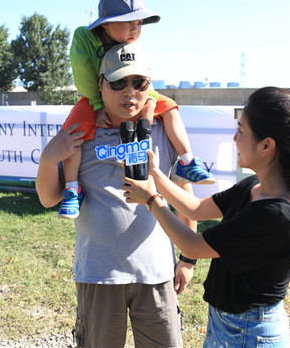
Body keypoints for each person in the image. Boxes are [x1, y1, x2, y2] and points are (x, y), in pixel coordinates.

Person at [122, 86, 290, 347]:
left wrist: (152, 200)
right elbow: (196, 208)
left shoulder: (278, 215)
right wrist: (155, 174)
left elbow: (194, 246)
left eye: (241, 131)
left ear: (266, 145)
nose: (235, 138)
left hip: (250, 331)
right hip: (229, 324)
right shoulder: (254, 187)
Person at [36, 42, 198, 348]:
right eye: (118, 83)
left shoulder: (164, 129)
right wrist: (47, 159)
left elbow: (184, 198)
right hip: (99, 275)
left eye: (139, 83)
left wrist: (187, 260)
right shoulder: (81, 131)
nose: (129, 92)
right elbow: (48, 198)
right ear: (100, 85)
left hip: (157, 274)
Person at [58, 0, 215, 219]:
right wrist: (98, 105)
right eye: (128, 22)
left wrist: (150, 102)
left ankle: (186, 161)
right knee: (73, 133)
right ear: (106, 24)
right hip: (93, 96)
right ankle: (72, 189)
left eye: (139, 23)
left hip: (137, 97)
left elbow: (142, 77)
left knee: (170, 108)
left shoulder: (131, 45)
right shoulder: (84, 37)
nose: (135, 29)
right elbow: (83, 75)